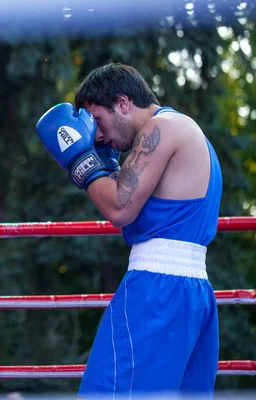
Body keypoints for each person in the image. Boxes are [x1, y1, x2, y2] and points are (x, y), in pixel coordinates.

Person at [35, 63, 222, 398]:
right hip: (191, 292)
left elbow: (119, 208)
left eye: (99, 121)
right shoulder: (184, 130)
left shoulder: (160, 128)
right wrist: (108, 166)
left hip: (157, 290)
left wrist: (82, 160)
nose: (98, 135)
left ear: (122, 102)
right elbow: (141, 210)